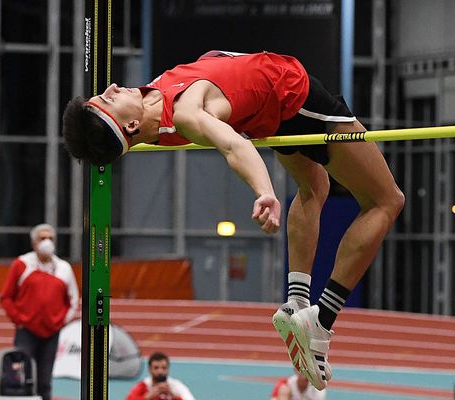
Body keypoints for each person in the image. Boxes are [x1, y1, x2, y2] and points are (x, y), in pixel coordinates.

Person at [62, 50, 404, 390]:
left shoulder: (148, 99)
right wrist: (264, 191)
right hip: (291, 93)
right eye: (107, 98)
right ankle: (323, 320)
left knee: (314, 187)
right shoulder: (186, 114)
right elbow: (233, 147)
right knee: (385, 201)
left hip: (266, 106)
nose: (112, 85)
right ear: (130, 125)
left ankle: (297, 304)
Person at [0, 223, 79, 400]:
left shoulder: (64, 268)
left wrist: (60, 322)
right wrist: (18, 319)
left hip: (51, 332)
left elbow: (73, 300)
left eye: (50, 238)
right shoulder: (21, 264)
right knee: (23, 376)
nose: (47, 242)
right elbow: (6, 296)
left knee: (45, 380)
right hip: (26, 331)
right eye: (42, 238)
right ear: (34, 243)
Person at [126, 352, 195, 400]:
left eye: (163, 368)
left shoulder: (176, 386)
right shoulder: (143, 386)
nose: (160, 371)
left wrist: (174, 396)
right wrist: (147, 397)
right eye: (156, 368)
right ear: (149, 369)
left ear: (168, 369)